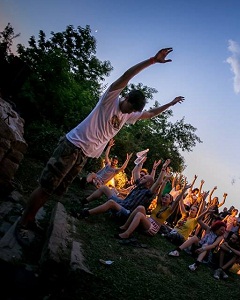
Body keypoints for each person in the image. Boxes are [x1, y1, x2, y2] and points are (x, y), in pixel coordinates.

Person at [15, 48, 185, 247]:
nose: (130, 112)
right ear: (126, 98)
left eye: (133, 111)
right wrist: (152, 61)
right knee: (46, 188)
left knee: (55, 191)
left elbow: (150, 114)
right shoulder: (110, 99)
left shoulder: (128, 116)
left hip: (83, 155)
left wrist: (170, 104)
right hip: (73, 145)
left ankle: (31, 218)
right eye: (130, 107)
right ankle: (23, 224)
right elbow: (127, 76)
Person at [73, 159, 171, 221]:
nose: (141, 178)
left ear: (149, 183)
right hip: (122, 203)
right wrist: (140, 160)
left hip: (127, 212)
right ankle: (84, 201)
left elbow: (157, 182)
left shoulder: (147, 193)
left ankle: (84, 213)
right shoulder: (139, 185)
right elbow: (135, 171)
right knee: (104, 188)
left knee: (111, 202)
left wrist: (163, 168)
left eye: (144, 178)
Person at [115, 180, 192, 240]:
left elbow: (177, 200)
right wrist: (165, 181)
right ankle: (125, 226)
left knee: (139, 214)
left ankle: (126, 234)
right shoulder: (159, 204)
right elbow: (160, 193)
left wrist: (184, 190)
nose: (164, 198)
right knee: (140, 207)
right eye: (164, 197)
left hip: (152, 228)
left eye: (167, 197)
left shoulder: (170, 209)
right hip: (148, 221)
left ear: (170, 201)